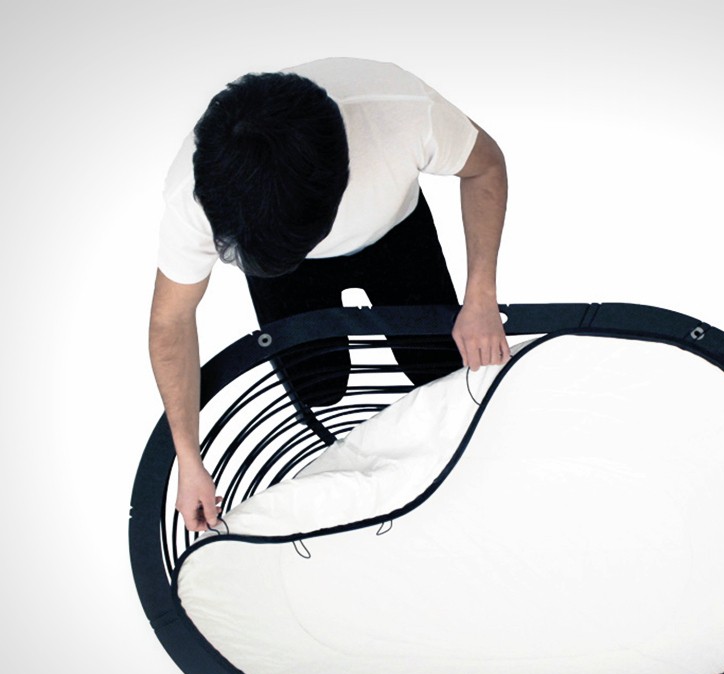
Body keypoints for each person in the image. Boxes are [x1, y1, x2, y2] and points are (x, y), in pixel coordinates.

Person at [149, 58, 509, 534]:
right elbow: (170, 321)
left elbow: (486, 166)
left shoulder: (402, 112)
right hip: (286, 272)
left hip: (395, 232)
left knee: (440, 370)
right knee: (320, 387)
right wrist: (188, 458)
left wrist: (480, 296)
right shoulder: (194, 194)